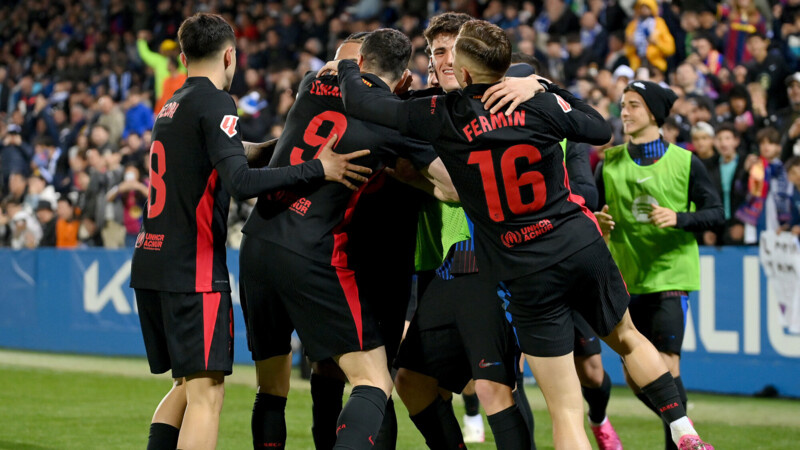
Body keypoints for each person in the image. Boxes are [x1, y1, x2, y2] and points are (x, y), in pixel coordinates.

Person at [331, 19, 714, 450]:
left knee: (558, 408)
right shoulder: (536, 102)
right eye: (437, 53)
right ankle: (684, 429)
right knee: (627, 338)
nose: (444, 62)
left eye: (451, 54)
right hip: (573, 242)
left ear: (466, 70)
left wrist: (346, 65)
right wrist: (544, 86)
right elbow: (599, 129)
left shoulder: (440, 115)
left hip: (522, 266)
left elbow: (365, 104)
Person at [128, 13, 371, 450]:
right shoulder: (217, 102)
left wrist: (286, 148)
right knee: (207, 394)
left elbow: (227, 156)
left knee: (185, 386)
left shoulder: (173, 105)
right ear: (230, 56)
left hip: (150, 259)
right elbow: (239, 182)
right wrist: (318, 167)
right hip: (192, 268)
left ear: (182, 58)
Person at [238, 28, 453, 450]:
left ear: (357, 63)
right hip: (315, 252)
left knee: (271, 387)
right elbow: (450, 188)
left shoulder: (311, 83)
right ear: (403, 78)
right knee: (374, 381)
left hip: (258, 241)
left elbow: (287, 141)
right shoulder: (395, 118)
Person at [594, 80, 724, 450]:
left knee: (667, 364)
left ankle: (681, 443)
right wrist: (598, 222)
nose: (625, 112)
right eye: (623, 105)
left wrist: (679, 218)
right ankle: (684, 429)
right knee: (636, 377)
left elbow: (717, 213)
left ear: (654, 113)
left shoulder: (686, 161)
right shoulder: (609, 162)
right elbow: (593, 212)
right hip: (627, 277)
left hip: (670, 275)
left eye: (634, 105)